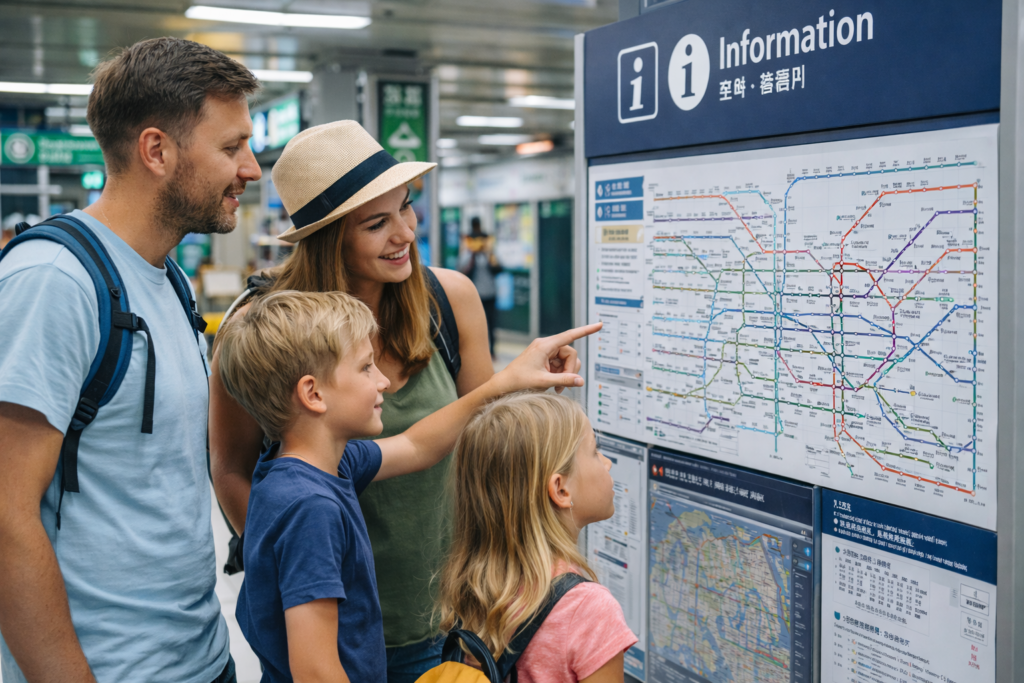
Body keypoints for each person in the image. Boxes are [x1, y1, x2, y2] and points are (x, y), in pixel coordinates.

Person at [0, 38, 260, 683]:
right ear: (156, 151)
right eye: (231, 148)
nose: (251, 170)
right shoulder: (55, 281)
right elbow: (5, 516)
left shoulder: (164, 278)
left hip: (199, 657)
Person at [210, 120, 499, 680]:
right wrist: (300, 575)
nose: (405, 235)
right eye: (377, 223)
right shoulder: (260, 330)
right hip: (333, 632)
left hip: (451, 618)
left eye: (406, 209)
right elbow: (230, 466)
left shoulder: (448, 301)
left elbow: (463, 447)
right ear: (330, 238)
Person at [215, 289, 595, 682]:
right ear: (313, 393)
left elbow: (417, 445)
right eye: (365, 368)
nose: (382, 381)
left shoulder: (312, 465)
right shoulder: (311, 509)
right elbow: (315, 671)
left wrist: (508, 381)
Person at [435, 393, 638, 682]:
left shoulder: (477, 586)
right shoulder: (589, 610)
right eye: (595, 451)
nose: (606, 463)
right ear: (561, 489)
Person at [460, 217, 501, 358]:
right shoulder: (468, 246)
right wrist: (472, 253)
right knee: (476, 324)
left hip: (490, 293)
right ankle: (478, 351)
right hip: (474, 294)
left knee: (491, 323)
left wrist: (487, 252)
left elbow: (498, 267)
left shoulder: (487, 248)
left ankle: (492, 350)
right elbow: (461, 267)